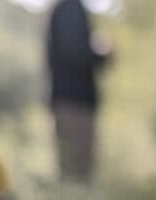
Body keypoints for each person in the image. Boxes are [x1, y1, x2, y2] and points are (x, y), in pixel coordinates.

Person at [47, 0, 110, 183]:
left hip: (69, 103)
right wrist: (101, 53)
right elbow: (74, 53)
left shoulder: (63, 8)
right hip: (75, 106)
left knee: (72, 173)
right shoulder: (70, 8)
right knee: (77, 176)